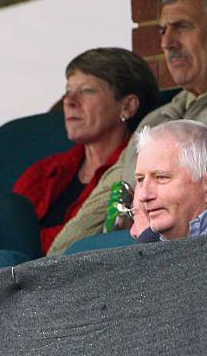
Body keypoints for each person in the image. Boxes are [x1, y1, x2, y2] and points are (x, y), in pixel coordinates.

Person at [47, 0, 207, 255]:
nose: (166, 42)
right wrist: (47, 270)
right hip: (126, 264)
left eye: (182, 27)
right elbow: (97, 207)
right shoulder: (155, 120)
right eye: (162, 31)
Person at [13, 47, 158, 254]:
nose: (69, 101)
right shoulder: (40, 173)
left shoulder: (142, 173)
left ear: (127, 107)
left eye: (87, 90)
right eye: (68, 91)